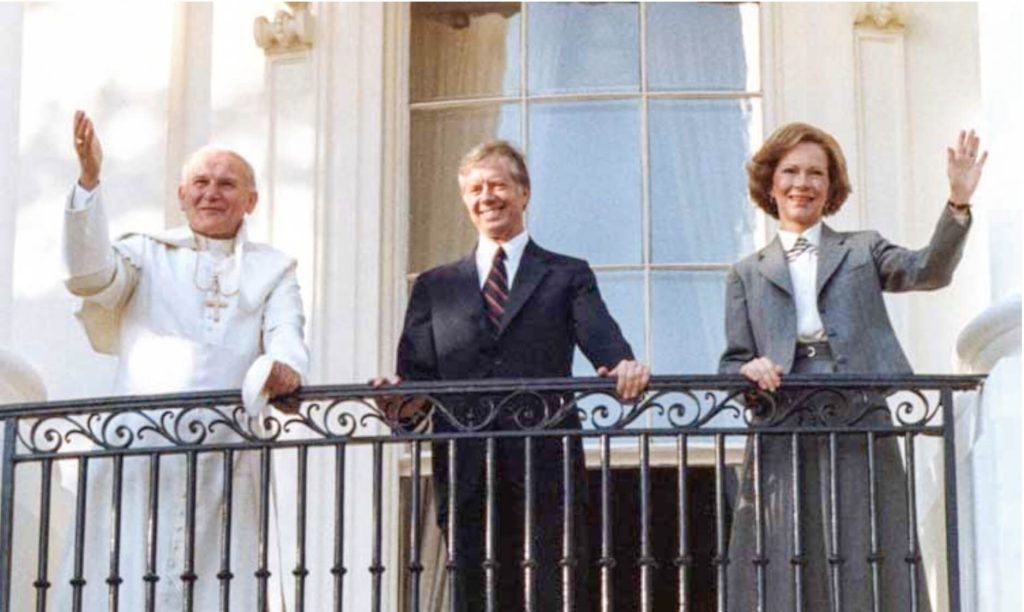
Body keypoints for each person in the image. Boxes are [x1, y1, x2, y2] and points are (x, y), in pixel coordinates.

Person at [719, 122, 986, 610]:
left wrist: (957, 205)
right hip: (782, 417)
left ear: (831, 186)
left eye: (816, 173)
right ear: (771, 183)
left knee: (872, 539)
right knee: (782, 547)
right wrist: (749, 369)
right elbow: (732, 362)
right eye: (792, 171)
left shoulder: (862, 248)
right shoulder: (746, 273)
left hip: (859, 409)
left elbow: (928, 270)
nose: (804, 183)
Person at [54, 110, 309, 610]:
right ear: (182, 194)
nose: (211, 192)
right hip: (137, 448)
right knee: (124, 578)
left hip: (225, 455)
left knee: (218, 586)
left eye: (227, 184)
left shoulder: (274, 269)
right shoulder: (145, 253)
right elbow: (90, 275)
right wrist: (88, 183)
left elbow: (286, 334)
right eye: (200, 182)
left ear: (250, 201)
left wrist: (284, 367)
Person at [386, 141, 650, 611]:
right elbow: (415, 384)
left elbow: (606, 347)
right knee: (474, 591)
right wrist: (396, 400)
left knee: (553, 587)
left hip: (544, 459)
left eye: (498, 185)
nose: (486, 196)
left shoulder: (566, 275)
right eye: (474, 189)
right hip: (465, 461)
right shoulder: (434, 285)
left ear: (524, 193)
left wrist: (624, 366)